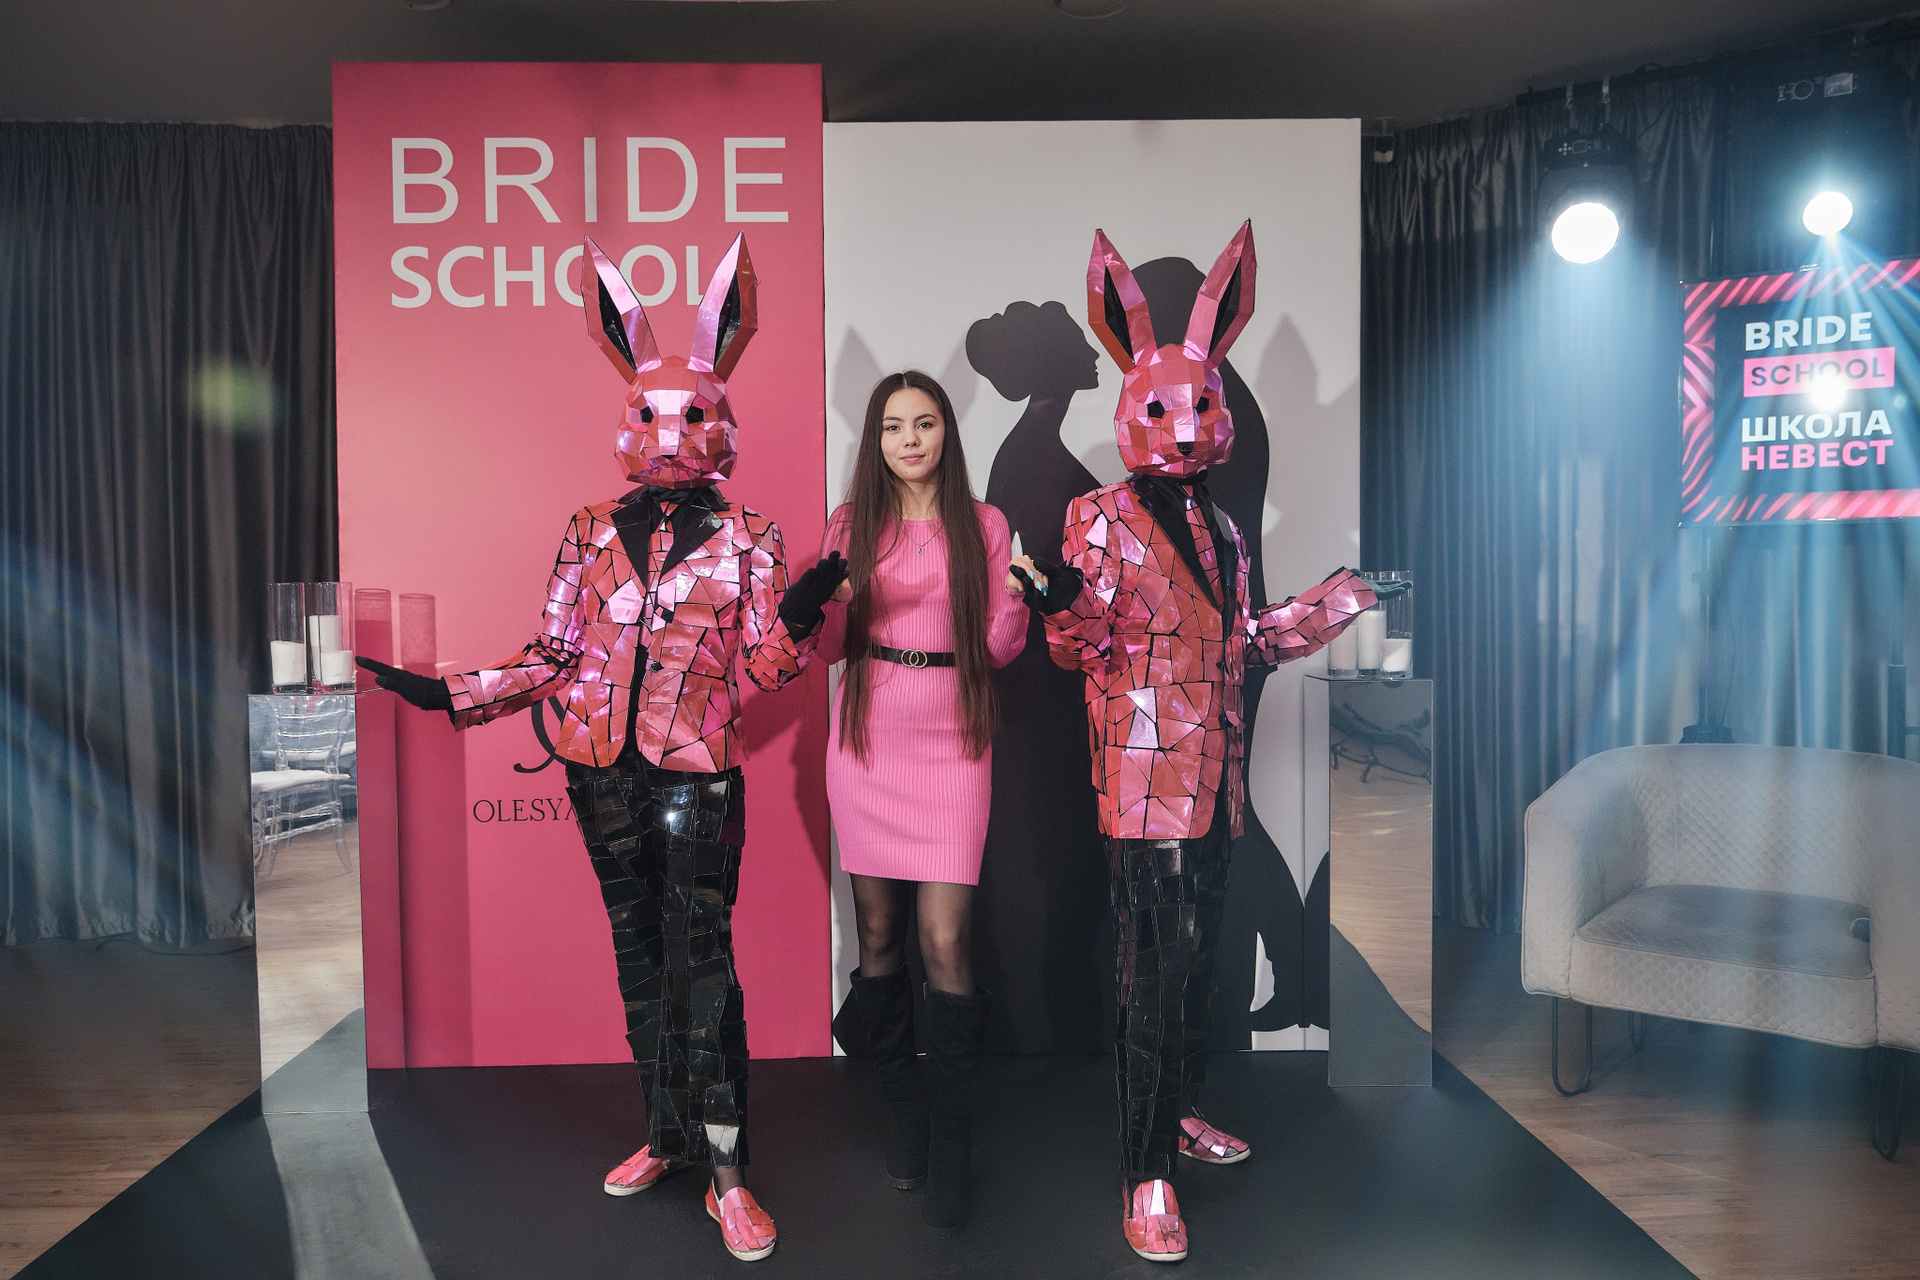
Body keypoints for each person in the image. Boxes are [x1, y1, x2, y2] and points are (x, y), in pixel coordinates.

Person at [359, 235, 812, 1264]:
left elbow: (766, 666)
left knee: (704, 961)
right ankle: (667, 1134)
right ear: (627, 418)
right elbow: (556, 652)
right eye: (653, 413)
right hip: (598, 769)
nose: (670, 433)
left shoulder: (753, 535)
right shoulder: (586, 528)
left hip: (699, 771)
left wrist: (803, 610)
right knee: (639, 956)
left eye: (690, 414)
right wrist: (452, 692)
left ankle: (729, 1171)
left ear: (720, 418)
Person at [1010, 223, 1403, 1264]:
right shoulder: (1097, 516)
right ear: (1129, 409)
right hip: (1143, 789)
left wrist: (1335, 601)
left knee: (1195, 971)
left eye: (1199, 406)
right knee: (1150, 975)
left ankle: (1177, 1111)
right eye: (1161, 409)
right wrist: (1057, 604)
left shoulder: (1223, 528)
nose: (1184, 428)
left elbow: (1244, 643)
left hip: (1217, 784)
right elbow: (1084, 648)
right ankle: (1145, 1175)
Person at [775, 370, 1027, 1234]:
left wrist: (1020, 600)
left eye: (923, 423)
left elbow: (998, 648)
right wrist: (813, 608)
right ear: (876, 440)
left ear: (946, 432)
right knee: (879, 936)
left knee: (945, 940)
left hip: (954, 739)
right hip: (870, 738)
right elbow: (830, 650)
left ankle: (952, 1142)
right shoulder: (851, 525)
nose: (909, 440)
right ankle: (906, 1116)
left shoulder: (984, 524)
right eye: (892, 426)